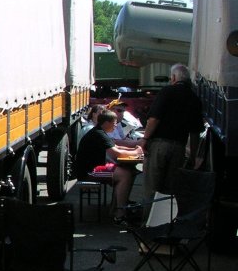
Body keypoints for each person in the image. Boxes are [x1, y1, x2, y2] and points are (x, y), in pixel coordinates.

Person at [139, 64, 205, 200]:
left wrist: (145, 139)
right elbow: (195, 133)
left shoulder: (166, 92)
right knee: (170, 190)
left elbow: (154, 119)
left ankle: (149, 220)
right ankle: (166, 219)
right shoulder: (194, 99)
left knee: (152, 187)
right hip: (179, 148)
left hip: (159, 145)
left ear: (174, 77)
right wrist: (192, 156)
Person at [75, 109, 144, 224]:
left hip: (93, 168)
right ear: (106, 123)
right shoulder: (98, 134)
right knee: (125, 175)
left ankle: (115, 208)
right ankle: (120, 214)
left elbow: (117, 147)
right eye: (114, 122)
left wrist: (134, 149)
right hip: (88, 172)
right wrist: (136, 152)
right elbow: (117, 153)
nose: (116, 125)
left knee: (128, 171)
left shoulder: (100, 132)